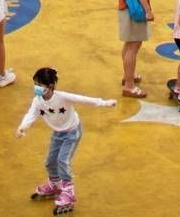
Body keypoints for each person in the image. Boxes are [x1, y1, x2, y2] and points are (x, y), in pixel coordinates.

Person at [17, 66, 115, 214]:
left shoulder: (62, 97)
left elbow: (83, 99)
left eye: (39, 85)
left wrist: (104, 102)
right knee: (50, 162)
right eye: (35, 84)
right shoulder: (37, 101)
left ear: (50, 87)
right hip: (57, 133)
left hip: (72, 132)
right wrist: (23, 127)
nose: (36, 88)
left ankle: (68, 190)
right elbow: (31, 114)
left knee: (63, 160)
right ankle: (55, 184)